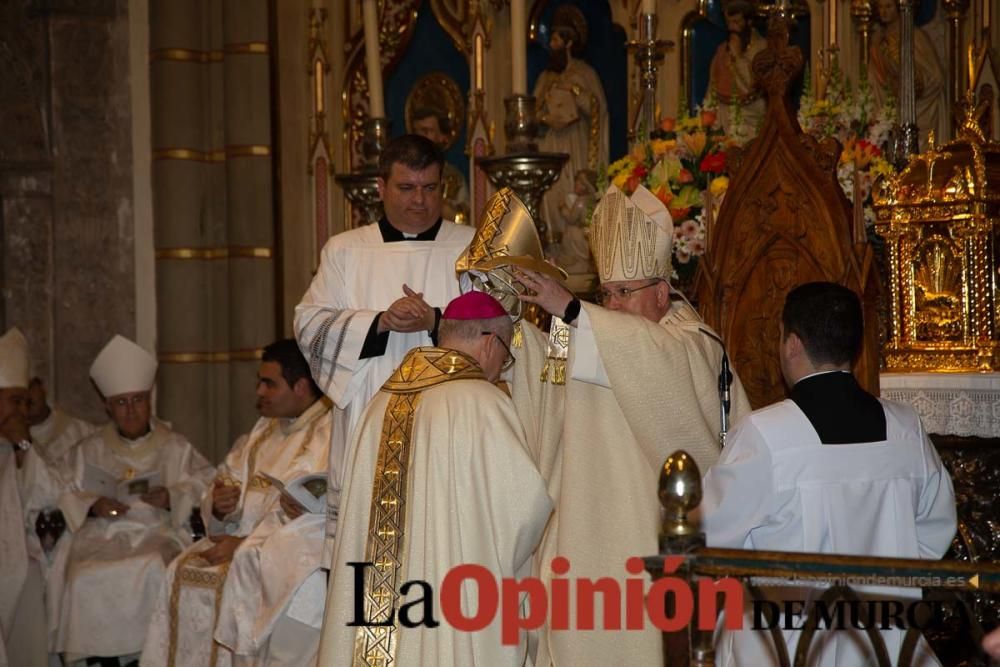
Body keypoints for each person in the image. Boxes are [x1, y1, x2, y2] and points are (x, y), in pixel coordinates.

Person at [501, 183, 753, 665]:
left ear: (662, 293)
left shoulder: (692, 342)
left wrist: (575, 308)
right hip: (582, 539)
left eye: (623, 293)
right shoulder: (592, 334)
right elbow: (545, 372)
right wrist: (507, 327)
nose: (611, 305)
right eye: (606, 293)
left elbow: (653, 361)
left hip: (653, 539)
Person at [701, 282, 957, 666]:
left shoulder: (766, 434)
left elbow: (706, 537)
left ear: (792, 343)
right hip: (885, 641)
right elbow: (935, 530)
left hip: (788, 644)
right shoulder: (906, 428)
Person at [316, 291, 552, 667]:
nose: (500, 368)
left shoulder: (379, 404)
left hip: (379, 607)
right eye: (506, 357)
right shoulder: (483, 403)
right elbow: (524, 511)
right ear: (492, 343)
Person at [294, 133, 475, 566]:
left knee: (441, 560)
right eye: (407, 188)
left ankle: (440, 635)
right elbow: (309, 324)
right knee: (367, 571)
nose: (419, 201)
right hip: (366, 427)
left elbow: (503, 329)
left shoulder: (471, 247)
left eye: (430, 188)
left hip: (450, 425)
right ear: (381, 188)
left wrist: (434, 320)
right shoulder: (345, 250)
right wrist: (379, 322)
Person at [141, 339, 332, 667]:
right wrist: (218, 505)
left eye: (269, 384)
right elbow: (225, 477)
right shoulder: (262, 431)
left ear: (301, 386)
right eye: (259, 382)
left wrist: (244, 544)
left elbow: (311, 514)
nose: (259, 392)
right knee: (180, 570)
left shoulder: (327, 435)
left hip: (285, 560)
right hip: (236, 543)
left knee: (227, 582)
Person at [53, 335, 214, 666]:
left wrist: (172, 496)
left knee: (153, 565)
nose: (131, 411)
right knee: (82, 574)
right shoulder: (88, 450)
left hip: (157, 531)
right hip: (102, 533)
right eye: (122, 402)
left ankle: (150, 655)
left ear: (149, 401)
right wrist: (92, 504)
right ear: (108, 406)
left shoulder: (175, 446)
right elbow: (61, 488)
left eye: (138, 400)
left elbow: (208, 481)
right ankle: (100, 658)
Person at [0, 328, 67, 667]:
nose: (23, 412)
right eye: (15, 401)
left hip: (21, 572)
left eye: (26, 402)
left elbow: (52, 499)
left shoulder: (24, 446)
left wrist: (23, 446)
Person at [535, 4, 609, 245]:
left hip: (575, 143)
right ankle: (554, 247)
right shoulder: (545, 78)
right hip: (550, 145)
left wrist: (575, 94)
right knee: (551, 193)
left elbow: (598, 109)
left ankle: (575, 246)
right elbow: (533, 112)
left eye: (556, 40)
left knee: (573, 190)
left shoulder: (584, 73)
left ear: (568, 43)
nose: (551, 46)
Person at [868, 0, 948, 149]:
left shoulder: (915, 37)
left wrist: (914, 81)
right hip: (891, 112)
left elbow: (935, 77)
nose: (884, 12)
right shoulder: (878, 43)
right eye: (880, 7)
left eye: (888, 6)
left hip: (917, 111)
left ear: (898, 8)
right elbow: (876, 82)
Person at [703, 0, 767, 137]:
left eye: (737, 22)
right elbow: (711, 93)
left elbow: (754, 88)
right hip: (724, 123)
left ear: (749, 21)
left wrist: (738, 58)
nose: (732, 28)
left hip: (753, 123)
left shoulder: (763, 49)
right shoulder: (721, 50)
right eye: (729, 23)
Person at [411, 106, 470, 225]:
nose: (420, 138)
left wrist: (446, 211)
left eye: (427, 131)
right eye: (417, 132)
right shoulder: (404, 174)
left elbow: (465, 219)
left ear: (443, 137)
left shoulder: (454, 178)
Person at [28, 376, 95, 465]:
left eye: (30, 387)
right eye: (17, 395)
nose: (26, 397)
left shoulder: (83, 431)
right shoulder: (6, 442)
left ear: (43, 388)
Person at [554, 168, 598, 277]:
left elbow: (571, 219)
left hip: (577, 236)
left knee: (574, 261)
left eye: (578, 182)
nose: (576, 184)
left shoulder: (581, 201)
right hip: (587, 234)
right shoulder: (593, 199)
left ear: (585, 185)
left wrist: (562, 207)